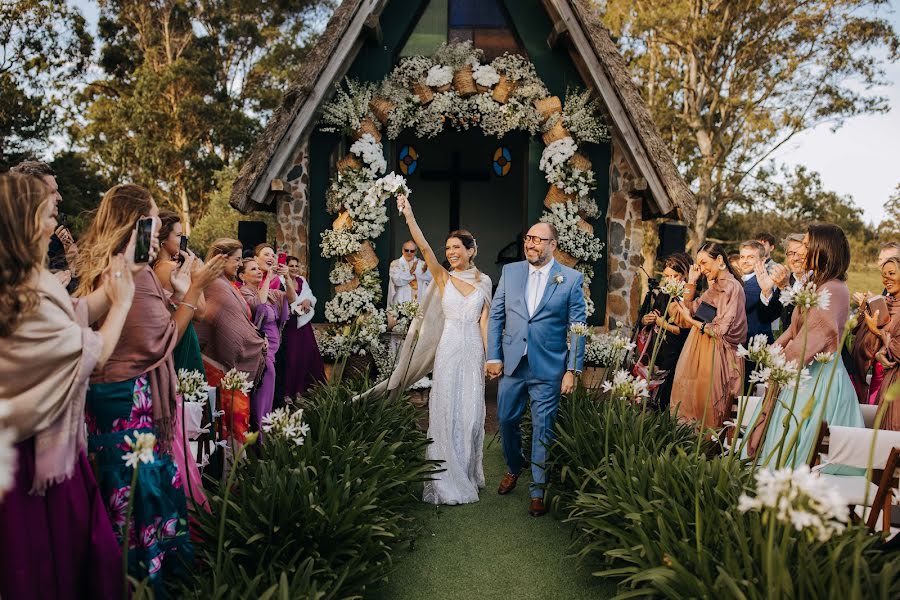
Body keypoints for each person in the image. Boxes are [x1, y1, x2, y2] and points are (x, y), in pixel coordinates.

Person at [75, 184, 224, 593]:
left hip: (117, 400)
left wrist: (181, 292)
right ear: (136, 221)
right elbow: (159, 342)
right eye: (154, 217)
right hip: (128, 402)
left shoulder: (117, 266)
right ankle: (144, 580)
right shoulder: (133, 275)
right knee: (138, 496)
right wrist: (193, 290)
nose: (159, 225)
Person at [0, 171, 132, 600]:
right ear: (26, 220)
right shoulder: (19, 293)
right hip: (29, 462)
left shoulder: (28, 283)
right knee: (42, 570)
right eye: (48, 209)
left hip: (49, 451)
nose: (54, 218)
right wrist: (123, 304)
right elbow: (86, 354)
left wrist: (115, 285)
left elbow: (73, 313)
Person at [381, 194, 493, 506]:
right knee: (446, 410)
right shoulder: (443, 277)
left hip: (472, 350)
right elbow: (426, 248)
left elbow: (485, 322)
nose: (451, 252)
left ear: (471, 250)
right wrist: (409, 215)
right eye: (448, 248)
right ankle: (445, 477)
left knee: (471, 413)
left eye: (457, 247)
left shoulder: (485, 282)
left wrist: (490, 357)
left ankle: (468, 471)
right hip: (449, 348)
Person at [487, 223, 586, 518]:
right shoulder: (511, 272)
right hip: (514, 364)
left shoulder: (570, 279)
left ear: (552, 245)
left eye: (537, 240)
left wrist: (572, 370)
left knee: (543, 428)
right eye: (528, 238)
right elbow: (496, 315)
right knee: (505, 419)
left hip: (549, 367)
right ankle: (515, 467)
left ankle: (538, 490)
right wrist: (493, 355)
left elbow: (578, 329)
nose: (530, 244)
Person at [745, 224, 864, 467]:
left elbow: (813, 339)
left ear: (823, 250)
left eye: (808, 246)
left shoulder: (834, 289)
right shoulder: (816, 285)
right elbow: (793, 329)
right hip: (800, 375)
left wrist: (778, 364)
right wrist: (769, 352)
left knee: (798, 453)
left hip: (820, 382)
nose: (802, 252)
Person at [152, 210, 209, 510]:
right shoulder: (163, 269)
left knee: (194, 412)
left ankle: (194, 475)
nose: (181, 240)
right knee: (187, 415)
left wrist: (194, 277)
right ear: (162, 239)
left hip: (187, 334)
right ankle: (188, 481)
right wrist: (195, 279)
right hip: (179, 336)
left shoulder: (175, 267)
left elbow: (201, 309)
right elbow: (200, 312)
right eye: (177, 234)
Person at [193, 239, 265, 446]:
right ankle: (230, 473)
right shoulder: (216, 285)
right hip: (219, 367)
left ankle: (234, 469)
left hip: (225, 369)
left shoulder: (226, 283)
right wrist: (257, 342)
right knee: (228, 423)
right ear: (222, 259)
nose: (239, 264)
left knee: (233, 423)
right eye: (236, 259)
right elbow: (229, 328)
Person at [670, 242, 748, 430]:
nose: (701, 268)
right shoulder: (712, 289)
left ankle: (710, 453)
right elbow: (683, 316)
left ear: (719, 260)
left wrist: (693, 320)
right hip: (701, 355)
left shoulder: (733, 288)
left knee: (712, 413)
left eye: (704, 263)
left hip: (720, 358)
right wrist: (692, 282)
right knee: (692, 407)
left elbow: (720, 330)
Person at [238, 254, 295, 437]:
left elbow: (291, 299)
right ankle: (259, 437)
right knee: (262, 398)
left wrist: (286, 278)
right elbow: (258, 306)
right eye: (253, 269)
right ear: (242, 276)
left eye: (258, 268)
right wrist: (268, 278)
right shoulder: (244, 292)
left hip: (273, 352)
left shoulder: (271, 293)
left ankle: (264, 435)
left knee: (268, 396)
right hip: (259, 352)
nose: (258, 271)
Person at [11, 160, 79, 292]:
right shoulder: (8, 245)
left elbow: (75, 296)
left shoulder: (54, 241)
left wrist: (73, 259)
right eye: (53, 192)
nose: (60, 198)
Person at [637, 253, 693, 410]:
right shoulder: (663, 293)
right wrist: (646, 320)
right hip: (657, 349)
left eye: (675, 276)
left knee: (666, 394)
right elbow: (654, 315)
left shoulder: (690, 297)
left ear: (685, 275)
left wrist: (663, 324)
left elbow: (686, 330)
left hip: (676, 352)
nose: (670, 280)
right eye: (667, 276)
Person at [851, 256, 900, 429]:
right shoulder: (885, 303)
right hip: (885, 381)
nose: (886, 279)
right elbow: (855, 330)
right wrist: (865, 309)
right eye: (884, 274)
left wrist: (877, 331)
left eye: (892, 273)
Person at [282, 255, 326, 399]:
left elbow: (311, 296)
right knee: (292, 358)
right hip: (290, 324)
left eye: (296, 265)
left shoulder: (302, 280)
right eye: (291, 265)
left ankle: (301, 389)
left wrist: (307, 300)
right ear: (285, 267)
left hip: (304, 324)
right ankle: (288, 392)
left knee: (307, 354)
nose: (294, 268)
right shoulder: (281, 281)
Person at [739, 240, 777, 344]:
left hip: (756, 347)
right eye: (742, 257)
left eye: (750, 257)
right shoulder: (738, 281)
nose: (745, 261)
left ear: (763, 260)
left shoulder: (760, 284)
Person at [387, 240, 433, 307]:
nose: (409, 253)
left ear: (416, 252)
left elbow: (431, 279)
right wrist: (412, 273)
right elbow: (397, 280)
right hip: (400, 300)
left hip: (417, 301)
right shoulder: (395, 264)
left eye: (412, 251)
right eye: (406, 250)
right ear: (402, 250)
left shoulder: (422, 265)